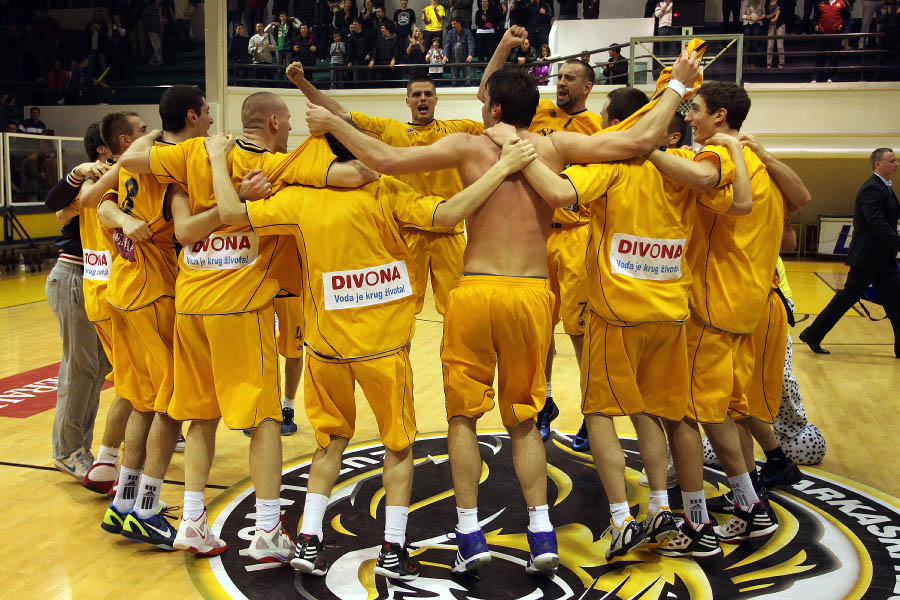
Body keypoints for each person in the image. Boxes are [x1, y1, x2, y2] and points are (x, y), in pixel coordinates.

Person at [306, 47, 702, 575]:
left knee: (463, 418)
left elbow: (386, 160)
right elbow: (639, 139)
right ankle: (541, 533)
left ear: (493, 108)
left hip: (475, 291)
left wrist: (335, 123)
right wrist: (675, 86)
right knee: (524, 422)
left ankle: (470, 533)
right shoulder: (555, 145)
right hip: (531, 293)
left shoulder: (468, 145)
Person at [209, 127, 535, 581]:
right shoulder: (386, 190)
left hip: (326, 345)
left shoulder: (299, 199)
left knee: (329, 442)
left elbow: (229, 212)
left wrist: (215, 157)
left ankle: (308, 538)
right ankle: (392, 549)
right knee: (398, 447)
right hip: (383, 346)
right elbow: (447, 215)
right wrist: (501, 169)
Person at [116, 89, 376, 562]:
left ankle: (192, 521)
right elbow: (360, 172)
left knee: (201, 415)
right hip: (240, 304)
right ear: (274, 121)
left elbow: (131, 160)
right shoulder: (280, 164)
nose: (292, 126)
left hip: (191, 303)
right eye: (289, 118)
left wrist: (165, 137)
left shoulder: (197, 152)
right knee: (265, 420)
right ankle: (268, 528)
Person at [510, 84, 750, 561]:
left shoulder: (614, 167)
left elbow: (557, 192)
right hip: (672, 312)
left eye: (608, 122)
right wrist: (735, 153)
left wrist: (517, 151)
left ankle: (622, 519)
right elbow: (738, 201)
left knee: (600, 412)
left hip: (617, 314)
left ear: (623, 126)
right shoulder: (687, 167)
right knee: (666, 414)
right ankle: (663, 508)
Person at [650, 81, 811, 555]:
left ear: (719, 116)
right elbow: (797, 208)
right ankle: (749, 504)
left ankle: (707, 518)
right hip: (749, 306)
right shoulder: (759, 164)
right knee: (729, 411)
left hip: (714, 306)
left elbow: (712, 185)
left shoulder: (721, 158)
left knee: (693, 411)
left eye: (695, 109)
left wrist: (643, 148)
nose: (689, 117)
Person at [480, 27, 603, 447]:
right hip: (536, 235)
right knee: (540, 331)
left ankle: (593, 410)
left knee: (580, 331)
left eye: (571, 78)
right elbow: (488, 95)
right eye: (560, 76)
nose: (562, 82)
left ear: (588, 87)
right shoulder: (537, 113)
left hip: (577, 235)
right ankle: (545, 402)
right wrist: (503, 46)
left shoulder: (595, 128)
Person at [291, 64, 484, 315]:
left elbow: (499, 126)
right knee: (403, 309)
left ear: (436, 100)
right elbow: (339, 114)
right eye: (416, 94)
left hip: (449, 233)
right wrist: (301, 82)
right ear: (407, 101)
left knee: (458, 310)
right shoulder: (390, 129)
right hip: (407, 233)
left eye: (428, 94)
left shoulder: (459, 129)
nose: (422, 99)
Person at [44, 126, 116, 480]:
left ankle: (79, 445)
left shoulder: (118, 178)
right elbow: (57, 210)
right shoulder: (90, 181)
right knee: (79, 368)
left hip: (98, 281)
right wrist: (78, 173)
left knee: (98, 368)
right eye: (138, 131)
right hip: (75, 274)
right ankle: (68, 450)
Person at [800, 148, 900, 357]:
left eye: (896, 160)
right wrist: (897, 241)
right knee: (846, 298)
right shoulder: (871, 188)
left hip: (883, 258)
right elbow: (877, 222)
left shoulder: (885, 188)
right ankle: (812, 334)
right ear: (878, 164)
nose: (896, 164)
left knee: (896, 301)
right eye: (891, 161)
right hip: (868, 257)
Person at [812, 0, 850, 82]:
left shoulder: (842, 4)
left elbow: (847, 18)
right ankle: (817, 78)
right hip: (822, 35)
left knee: (834, 57)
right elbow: (815, 18)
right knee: (819, 57)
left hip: (835, 35)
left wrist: (842, 26)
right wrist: (815, 25)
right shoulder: (821, 4)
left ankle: (832, 78)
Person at [442, 17, 476, 85]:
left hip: (465, 58)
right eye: (452, 24)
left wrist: (470, 55)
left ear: (459, 23)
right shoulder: (450, 33)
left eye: (454, 24)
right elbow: (446, 45)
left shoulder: (467, 32)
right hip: (454, 59)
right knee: (454, 81)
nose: (452, 26)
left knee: (467, 80)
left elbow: (471, 44)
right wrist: (445, 56)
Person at [765, 0, 786, 67]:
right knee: (770, 46)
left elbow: (779, 11)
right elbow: (766, 16)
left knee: (780, 45)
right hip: (770, 25)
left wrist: (775, 18)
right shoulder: (767, 3)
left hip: (779, 25)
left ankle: (781, 63)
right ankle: (769, 63)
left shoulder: (780, 1)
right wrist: (773, 14)